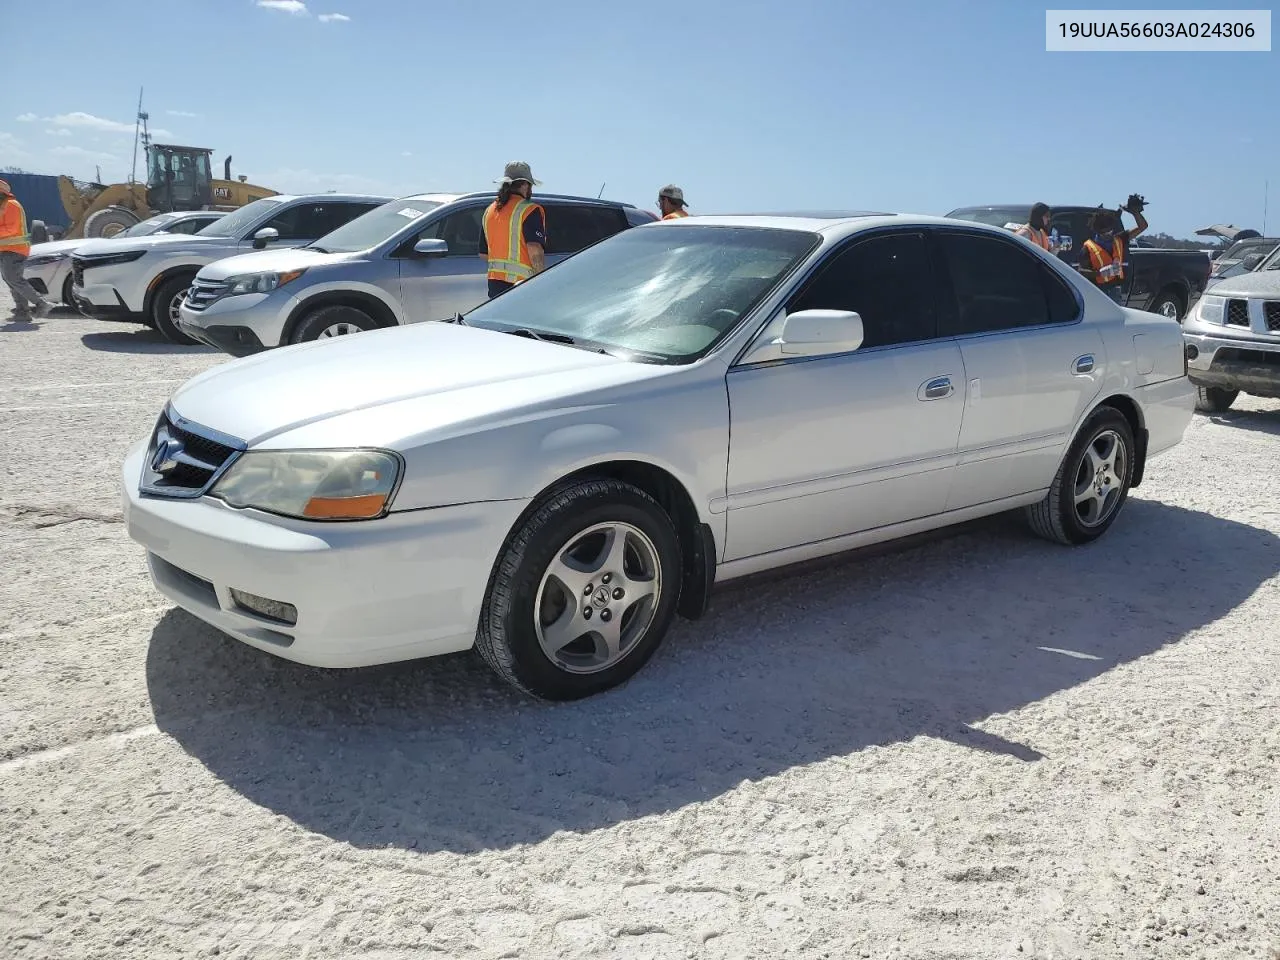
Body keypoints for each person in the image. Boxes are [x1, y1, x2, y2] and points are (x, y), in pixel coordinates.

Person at [478, 161, 547, 298]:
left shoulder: (490, 211)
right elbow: (535, 251)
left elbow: (483, 254)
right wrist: (541, 284)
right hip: (522, 287)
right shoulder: (529, 210)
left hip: (495, 287)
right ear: (525, 185)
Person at [0, 179, 55, 320]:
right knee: (11, 279)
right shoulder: (3, 205)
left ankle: (41, 303)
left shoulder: (11, 204)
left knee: (13, 278)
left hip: (15, 249)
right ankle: (22, 312)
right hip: (7, 249)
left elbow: (11, 228)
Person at [1078, 197, 1148, 304]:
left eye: (1111, 230)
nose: (1109, 233)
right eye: (1106, 231)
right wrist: (1099, 273)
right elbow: (1081, 271)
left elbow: (1142, 226)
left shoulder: (1119, 239)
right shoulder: (1088, 247)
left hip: (1115, 291)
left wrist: (1135, 212)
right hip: (1097, 291)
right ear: (1099, 231)